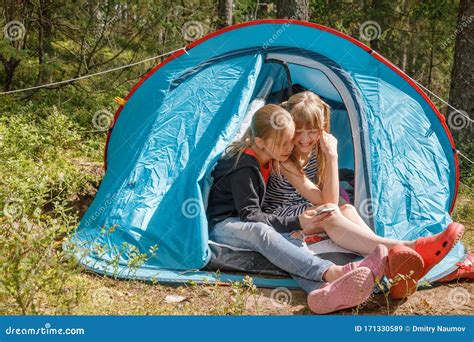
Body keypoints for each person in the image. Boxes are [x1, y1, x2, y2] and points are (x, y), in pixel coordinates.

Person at [262, 91, 465, 299]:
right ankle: (410, 248)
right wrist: (333, 156)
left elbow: (328, 195)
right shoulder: (284, 157)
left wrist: (327, 154)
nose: (305, 139)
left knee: (347, 208)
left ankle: (390, 262)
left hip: (307, 207)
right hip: (284, 214)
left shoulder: (316, 150)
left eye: (312, 131)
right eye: (299, 131)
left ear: (322, 130)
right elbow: (327, 200)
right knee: (330, 211)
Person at [206, 104, 387, 314]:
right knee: (262, 231)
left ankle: (321, 292)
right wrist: (297, 221)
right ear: (259, 142)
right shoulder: (245, 166)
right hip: (224, 224)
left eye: (290, 141)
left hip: (244, 219)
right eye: (283, 144)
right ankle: (333, 272)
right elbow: (250, 215)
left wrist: (294, 226)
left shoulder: (266, 157)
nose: (289, 148)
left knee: (289, 239)